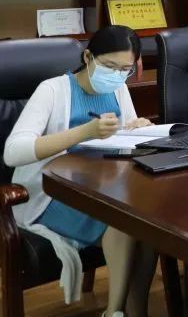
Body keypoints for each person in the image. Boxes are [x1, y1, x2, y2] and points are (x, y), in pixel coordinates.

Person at [4, 26, 157, 316]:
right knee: (125, 222)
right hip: (53, 194)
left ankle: (136, 312)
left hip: (106, 188)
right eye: (109, 66)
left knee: (147, 229)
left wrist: (138, 129)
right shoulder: (52, 90)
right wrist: (84, 132)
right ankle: (114, 311)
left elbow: (124, 140)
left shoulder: (119, 88)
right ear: (88, 57)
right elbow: (13, 152)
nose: (116, 75)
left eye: (125, 69)